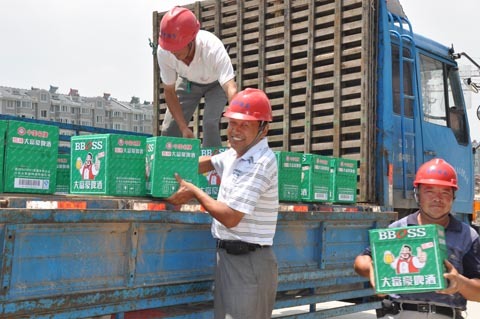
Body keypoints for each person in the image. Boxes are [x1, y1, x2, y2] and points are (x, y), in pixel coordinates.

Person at [167, 88, 279, 319]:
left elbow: (231, 217)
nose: (235, 131)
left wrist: (194, 191)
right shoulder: (235, 154)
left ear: (263, 129)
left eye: (244, 125)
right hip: (229, 259)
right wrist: (162, 162)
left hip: (249, 262)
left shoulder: (260, 162)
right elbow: (201, 164)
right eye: (232, 124)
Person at [354, 158, 480, 319]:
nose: (437, 198)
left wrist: (460, 283)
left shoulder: (467, 236)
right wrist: (373, 270)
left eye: (445, 192)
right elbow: (361, 261)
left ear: (453, 197)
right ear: (417, 194)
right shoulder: (398, 230)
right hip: (399, 313)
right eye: (430, 191)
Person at [157, 6, 237, 147]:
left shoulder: (212, 48)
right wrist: (183, 128)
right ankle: (170, 166)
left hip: (216, 84)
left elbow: (230, 88)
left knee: (209, 124)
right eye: (170, 48)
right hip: (187, 81)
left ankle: (213, 165)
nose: (172, 52)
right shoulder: (164, 51)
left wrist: (236, 128)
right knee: (170, 128)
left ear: (190, 40)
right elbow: (169, 91)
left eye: (176, 47)